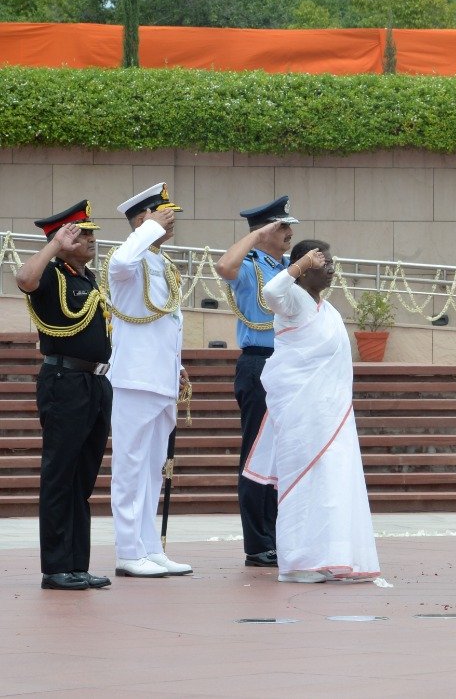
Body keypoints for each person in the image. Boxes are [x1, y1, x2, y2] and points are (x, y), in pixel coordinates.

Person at [242, 240, 380, 583]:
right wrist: (300, 263)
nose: (331, 268)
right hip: (301, 414)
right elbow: (271, 290)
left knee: (333, 485)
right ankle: (301, 562)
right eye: (322, 262)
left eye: (332, 262)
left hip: (332, 415)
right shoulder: (291, 300)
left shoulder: (327, 309)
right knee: (303, 485)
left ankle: (332, 557)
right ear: (304, 267)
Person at [18, 201, 113, 591]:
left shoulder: (88, 279)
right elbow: (24, 279)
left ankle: (77, 563)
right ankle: (56, 567)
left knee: (82, 478)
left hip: (95, 383)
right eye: (82, 234)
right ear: (63, 238)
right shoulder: (52, 274)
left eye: (91, 233)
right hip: (64, 381)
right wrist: (54, 245)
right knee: (60, 475)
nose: (91, 240)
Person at [105, 182, 193, 579]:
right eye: (163, 213)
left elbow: (169, 323)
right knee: (130, 466)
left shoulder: (163, 264)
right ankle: (127, 550)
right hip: (135, 379)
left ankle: (149, 546)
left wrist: (177, 368)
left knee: (155, 467)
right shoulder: (126, 261)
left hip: (161, 379)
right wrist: (148, 229)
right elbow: (122, 261)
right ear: (143, 219)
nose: (171, 220)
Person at [214, 196, 300, 569]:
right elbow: (224, 266)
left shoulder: (286, 268)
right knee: (256, 456)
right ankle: (258, 542)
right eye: (282, 227)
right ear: (265, 231)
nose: (289, 233)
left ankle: (280, 534)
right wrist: (255, 237)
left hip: (287, 365)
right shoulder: (251, 267)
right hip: (259, 364)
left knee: (282, 456)